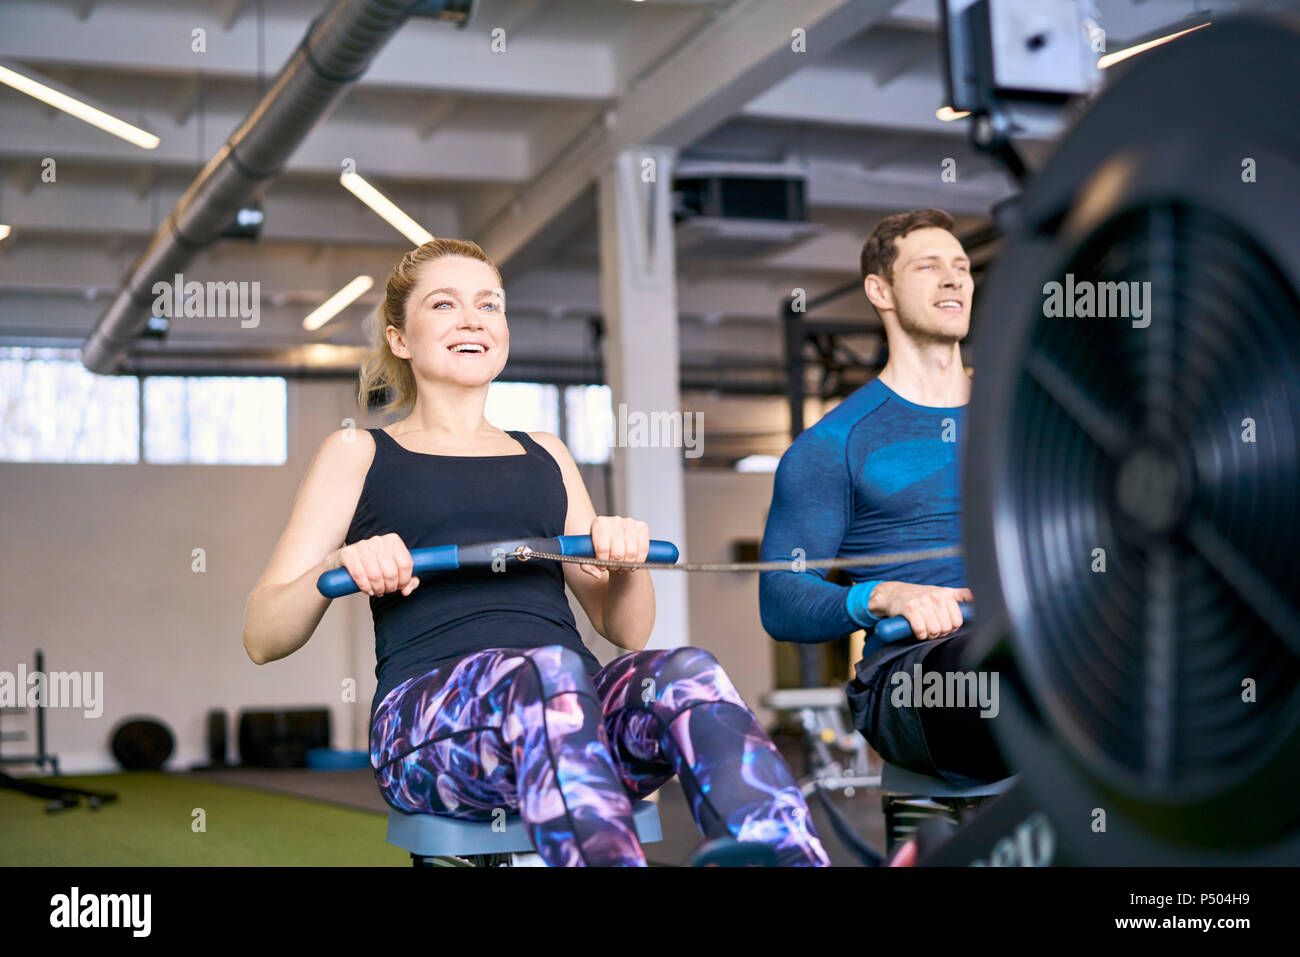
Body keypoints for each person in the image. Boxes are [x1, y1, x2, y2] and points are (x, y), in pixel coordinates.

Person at [242, 237, 830, 867]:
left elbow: (625, 629)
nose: (472, 319)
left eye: (489, 305)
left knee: (687, 672)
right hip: (427, 734)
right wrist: (340, 566)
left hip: (570, 718)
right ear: (399, 339)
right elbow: (262, 634)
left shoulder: (546, 452)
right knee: (544, 675)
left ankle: (786, 859)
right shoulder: (359, 452)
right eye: (444, 304)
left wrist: (625, 563)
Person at [758, 209, 1009, 786]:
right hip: (913, 677)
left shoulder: (1025, 420)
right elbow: (781, 599)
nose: (953, 280)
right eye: (928, 266)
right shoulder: (833, 445)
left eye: (962, 267)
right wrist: (884, 595)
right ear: (880, 289)